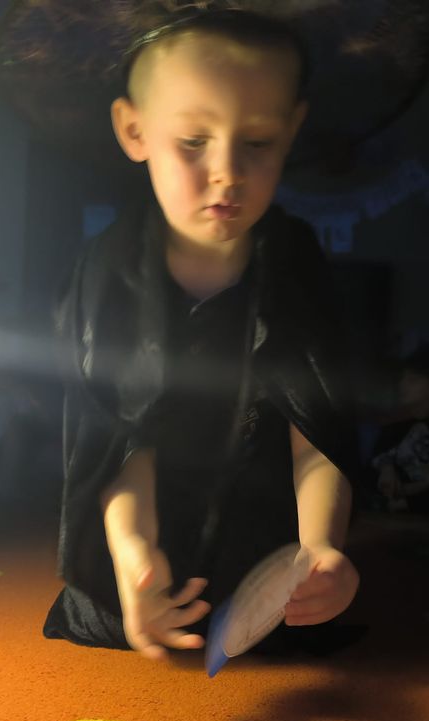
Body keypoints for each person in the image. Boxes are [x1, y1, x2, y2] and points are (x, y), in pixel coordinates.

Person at [42, 8, 360, 659]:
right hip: (141, 521)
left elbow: (316, 432)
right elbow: (117, 441)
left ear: (292, 128)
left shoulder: (294, 262)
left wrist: (322, 547)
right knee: (115, 603)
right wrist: (135, 557)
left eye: (258, 142)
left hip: (260, 525)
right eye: (193, 141)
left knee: (288, 610)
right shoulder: (110, 270)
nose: (227, 171)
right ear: (135, 129)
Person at [369, 359, 429, 514]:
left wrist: (411, 492)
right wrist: (386, 469)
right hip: (389, 499)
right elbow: (381, 452)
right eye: (402, 379)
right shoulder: (395, 421)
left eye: (413, 380)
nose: (402, 384)